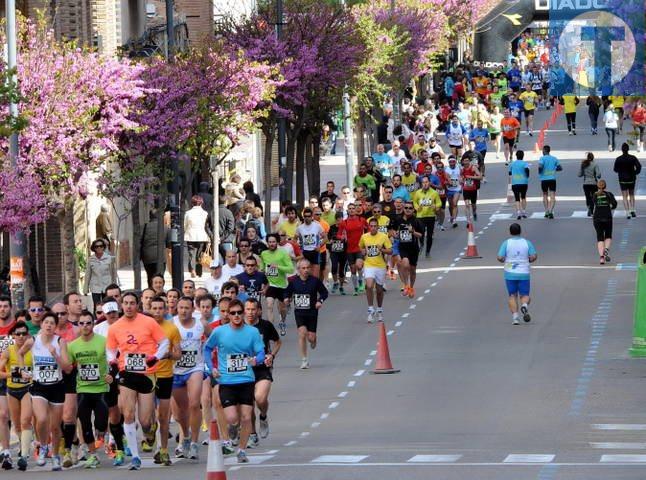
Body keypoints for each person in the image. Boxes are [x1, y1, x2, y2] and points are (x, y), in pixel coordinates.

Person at [105, 292, 169, 470]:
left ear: (138, 305)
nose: (128, 306)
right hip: (127, 372)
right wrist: (112, 360)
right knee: (128, 413)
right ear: (121, 305)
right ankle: (135, 456)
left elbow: (164, 343)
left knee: (145, 420)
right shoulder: (115, 327)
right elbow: (110, 349)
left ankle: (150, 431)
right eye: (125, 303)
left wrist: (155, 357)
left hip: (147, 372)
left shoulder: (148, 322)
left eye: (132, 303)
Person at [203, 299, 265, 464]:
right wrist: (211, 368)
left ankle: (242, 450)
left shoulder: (252, 332)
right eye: (233, 313)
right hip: (227, 381)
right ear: (228, 315)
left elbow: (261, 352)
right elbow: (207, 349)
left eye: (239, 312)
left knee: (246, 418)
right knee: (232, 418)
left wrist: (255, 360)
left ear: (243, 313)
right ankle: (232, 429)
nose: (236, 316)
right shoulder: (219, 332)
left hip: (246, 379)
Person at [25, 312, 72, 470]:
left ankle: (56, 455)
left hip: (57, 386)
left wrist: (55, 355)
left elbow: (68, 368)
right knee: (42, 419)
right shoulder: (33, 340)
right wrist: (23, 371)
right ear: (42, 325)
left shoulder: (60, 342)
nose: (49, 325)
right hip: (39, 386)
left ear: (55, 326)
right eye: (46, 322)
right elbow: (19, 354)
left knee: (55, 426)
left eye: (52, 323)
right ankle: (43, 446)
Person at [67, 311, 112, 469]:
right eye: (82, 323)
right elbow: (68, 367)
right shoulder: (73, 346)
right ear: (78, 325)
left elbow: (113, 359)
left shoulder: (103, 341)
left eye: (88, 323)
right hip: (83, 389)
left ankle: (102, 433)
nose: (85, 326)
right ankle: (93, 455)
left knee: (100, 424)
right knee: (85, 423)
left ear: (93, 324)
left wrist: (111, 375)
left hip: (100, 389)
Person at [172, 297, 208, 460]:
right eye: (181, 308)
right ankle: (185, 436)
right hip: (176, 370)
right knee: (180, 412)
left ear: (192, 309)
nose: (183, 311)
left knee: (194, 404)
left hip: (195, 367)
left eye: (187, 308)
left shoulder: (201, 324)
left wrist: (209, 356)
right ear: (176, 308)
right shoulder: (171, 324)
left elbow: (214, 340)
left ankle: (194, 442)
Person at [147, 296, 180, 466]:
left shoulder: (172, 329)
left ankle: (164, 451)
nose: (158, 311)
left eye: (161, 308)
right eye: (155, 308)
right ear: (149, 309)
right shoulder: (143, 327)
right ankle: (150, 432)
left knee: (163, 416)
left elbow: (178, 354)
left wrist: (168, 354)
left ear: (165, 310)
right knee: (148, 416)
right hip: (146, 375)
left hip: (165, 375)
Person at [243, 299, 281, 446]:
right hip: (245, 369)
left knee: (260, 398)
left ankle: (263, 416)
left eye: (253, 309)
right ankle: (252, 433)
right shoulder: (239, 326)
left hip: (262, 368)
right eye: (248, 309)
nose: (251, 312)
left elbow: (278, 342)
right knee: (249, 404)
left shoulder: (265, 326)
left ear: (259, 310)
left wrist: (271, 355)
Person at [284, 259, 328, 369]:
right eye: (303, 268)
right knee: (302, 333)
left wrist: (320, 301)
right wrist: (286, 298)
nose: (306, 270)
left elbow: (324, 292)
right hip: (299, 313)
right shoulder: (294, 282)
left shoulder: (315, 281)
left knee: (311, 338)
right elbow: (287, 292)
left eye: (308, 268)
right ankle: (304, 359)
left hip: (312, 313)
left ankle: (314, 339)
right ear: (298, 270)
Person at [0, 321, 31, 471]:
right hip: (12, 390)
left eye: (24, 333)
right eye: (17, 334)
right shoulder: (8, 351)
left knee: (25, 421)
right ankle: (21, 447)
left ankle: (24, 456)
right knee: (17, 424)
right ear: (13, 335)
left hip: (28, 389)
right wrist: (12, 374)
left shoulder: (33, 350)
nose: (21, 336)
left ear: (28, 335)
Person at [497, 223, 537, 325]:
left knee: (512, 295)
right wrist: (528, 259)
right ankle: (524, 305)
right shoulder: (527, 243)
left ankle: (515, 318)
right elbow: (534, 256)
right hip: (524, 272)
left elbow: (500, 257)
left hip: (510, 273)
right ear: (520, 231)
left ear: (510, 232)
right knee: (525, 295)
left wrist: (504, 260)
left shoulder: (506, 243)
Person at [359, 218, 392, 323]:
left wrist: (381, 249)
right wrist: (362, 252)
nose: (373, 228)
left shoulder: (383, 237)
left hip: (380, 266)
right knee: (368, 285)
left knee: (379, 290)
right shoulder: (364, 237)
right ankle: (370, 309)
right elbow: (360, 248)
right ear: (369, 227)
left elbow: (390, 251)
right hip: (369, 265)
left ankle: (379, 309)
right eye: (371, 226)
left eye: (375, 226)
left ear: (378, 227)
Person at [260, 234, 294, 336]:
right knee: (269, 306)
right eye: (269, 242)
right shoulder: (264, 253)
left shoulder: (283, 253)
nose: (271, 244)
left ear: (277, 242)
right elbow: (262, 266)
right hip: (271, 285)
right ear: (267, 243)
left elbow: (291, 268)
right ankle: (271, 330)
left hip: (282, 286)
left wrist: (278, 267)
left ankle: (282, 322)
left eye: (273, 242)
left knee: (282, 309)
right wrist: (263, 270)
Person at [390, 202, 423, 298]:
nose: (408, 209)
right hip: (403, 247)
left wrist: (413, 232)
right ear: (403, 209)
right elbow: (392, 231)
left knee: (412, 269)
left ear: (413, 210)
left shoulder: (416, 221)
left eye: (410, 208)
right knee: (405, 264)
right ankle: (405, 285)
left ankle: (411, 287)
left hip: (413, 248)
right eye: (406, 208)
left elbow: (420, 235)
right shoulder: (398, 220)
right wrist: (394, 234)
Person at [83, 238, 117, 311]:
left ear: (104, 247)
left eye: (101, 246)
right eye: (96, 246)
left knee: (107, 305)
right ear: (94, 248)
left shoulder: (109, 258)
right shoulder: (91, 259)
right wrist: (85, 289)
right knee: (97, 306)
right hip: (95, 287)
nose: (99, 248)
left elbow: (113, 273)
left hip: (107, 285)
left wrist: (115, 287)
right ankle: (97, 320)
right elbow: (88, 274)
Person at [412, 176, 441, 258]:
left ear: (429, 183)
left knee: (429, 236)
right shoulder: (418, 193)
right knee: (421, 233)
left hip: (430, 216)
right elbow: (415, 202)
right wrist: (417, 207)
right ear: (421, 184)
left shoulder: (434, 193)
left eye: (426, 182)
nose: (425, 184)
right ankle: (421, 243)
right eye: (423, 182)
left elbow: (439, 203)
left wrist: (435, 206)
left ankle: (428, 251)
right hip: (420, 216)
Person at [591, 180, 618, 264]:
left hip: (597, 217)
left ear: (597, 186)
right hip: (607, 217)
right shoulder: (609, 194)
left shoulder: (595, 195)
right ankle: (606, 249)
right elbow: (615, 204)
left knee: (600, 237)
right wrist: (610, 207)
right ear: (605, 186)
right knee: (608, 236)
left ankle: (601, 258)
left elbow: (592, 205)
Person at [140, 209, 170, 286]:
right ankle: (158, 290)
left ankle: (151, 290)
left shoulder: (144, 227)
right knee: (160, 276)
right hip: (160, 256)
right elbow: (168, 244)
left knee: (150, 275)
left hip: (147, 256)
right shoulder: (165, 228)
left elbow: (140, 242)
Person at [295, 208, 326, 279]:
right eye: (305, 216)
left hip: (315, 252)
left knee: (315, 277)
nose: (307, 218)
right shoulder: (300, 228)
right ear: (303, 217)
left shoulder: (317, 226)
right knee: (305, 276)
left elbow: (325, 238)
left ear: (312, 216)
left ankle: (315, 289)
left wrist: (319, 246)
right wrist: (299, 250)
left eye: (309, 216)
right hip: (305, 252)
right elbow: (294, 240)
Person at [184, 195, 211, 278]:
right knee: (200, 254)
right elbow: (207, 226)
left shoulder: (188, 213)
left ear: (192, 203)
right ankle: (199, 272)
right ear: (201, 203)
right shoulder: (205, 213)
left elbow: (185, 225)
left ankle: (192, 270)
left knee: (191, 254)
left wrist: (186, 231)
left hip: (190, 235)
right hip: (202, 236)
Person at [613, 143, 642, 218]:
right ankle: (632, 210)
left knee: (624, 196)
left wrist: (620, 171)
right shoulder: (633, 158)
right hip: (631, 178)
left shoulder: (618, 159)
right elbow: (639, 166)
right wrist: (635, 173)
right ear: (628, 149)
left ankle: (627, 212)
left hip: (622, 179)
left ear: (622, 150)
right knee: (631, 194)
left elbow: (615, 169)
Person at [538, 145, 562, 219]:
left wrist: (540, 171)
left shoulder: (542, 158)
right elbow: (560, 168)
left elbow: (540, 166)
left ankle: (546, 211)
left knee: (545, 195)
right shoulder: (554, 158)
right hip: (552, 179)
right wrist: (554, 169)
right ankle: (551, 211)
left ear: (545, 151)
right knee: (552, 196)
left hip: (544, 179)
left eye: (543, 150)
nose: (542, 151)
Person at [460, 154, 483, 222]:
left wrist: (471, 177)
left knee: (473, 205)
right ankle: (468, 220)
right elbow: (461, 178)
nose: (466, 162)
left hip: (473, 189)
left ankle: (474, 212)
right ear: (463, 162)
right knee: (467, 205)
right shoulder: (462, 169)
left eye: (467, 161)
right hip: (466, 189)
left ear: (469, 161)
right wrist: (461, 180)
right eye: (465, 161)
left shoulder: (473, 168)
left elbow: (480, 177)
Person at [579, 152, 602, 216]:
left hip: (586, 183)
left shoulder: (583, 164)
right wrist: (598, 176)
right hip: (594, 183)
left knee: (587, 197)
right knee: (593, 197)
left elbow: (579, 174)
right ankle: (592, 210)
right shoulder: (595, 164)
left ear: (587, 157)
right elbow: (598, 175)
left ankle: (589, 207)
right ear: (593, 158)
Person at [445, 156, 462, 227]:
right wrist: (449, 182)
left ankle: (454, 220)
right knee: (450, 205)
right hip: (449, 189)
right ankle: (452, 216)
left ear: (455, 162)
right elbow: (447, 178)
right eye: (450, 162)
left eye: (453, 162)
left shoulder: (459, 168)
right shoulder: (446, 169)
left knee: (455, 204)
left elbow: (462, 177)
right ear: (448, 162)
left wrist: (461, 180)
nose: (452, 163)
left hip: (457, 189)